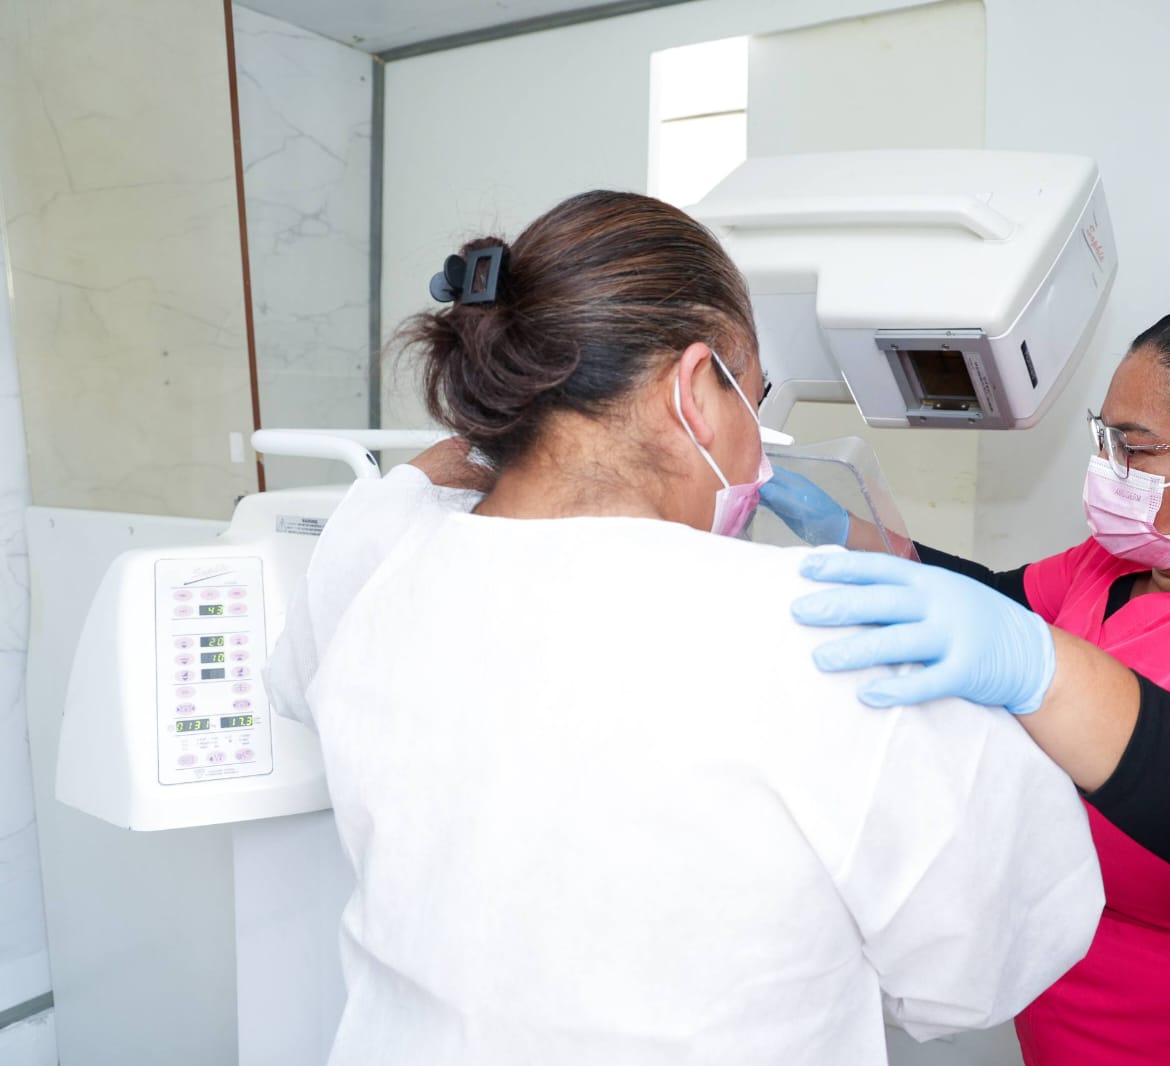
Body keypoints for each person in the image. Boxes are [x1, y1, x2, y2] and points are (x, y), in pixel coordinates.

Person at [266, 190, 1103, 1066]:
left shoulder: (380, 570)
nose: (761, 450)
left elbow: (301, 667)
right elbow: (987, 968)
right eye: (756, 396)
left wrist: (450, 467)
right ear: (696, 389)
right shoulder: (830, 639)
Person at [765, 305, 1170, 1065]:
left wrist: (1047, 670)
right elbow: (992, 597)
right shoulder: (1127, 566)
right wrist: (842, 530)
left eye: (1133, 450)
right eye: (1102, 437)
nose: (1106, 467)